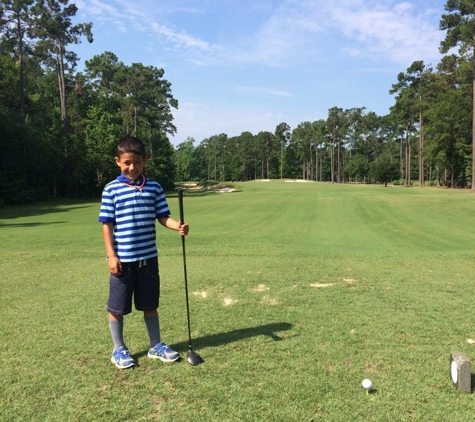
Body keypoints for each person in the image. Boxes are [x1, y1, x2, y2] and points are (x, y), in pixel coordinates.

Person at [98, 135, 189, 369]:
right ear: (118, 161)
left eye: (137, 162)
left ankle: (155, 345)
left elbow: (162, 217)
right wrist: (111, 255)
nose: (132, 167)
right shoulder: (111, 190)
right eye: (127, 162)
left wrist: (177, 225)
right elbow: (107, 225)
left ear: (145, 161)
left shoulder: (154, 187)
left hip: (148, 259)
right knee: (117, 308)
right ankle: (118, 348)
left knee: (150, 305)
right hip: (122, 262)